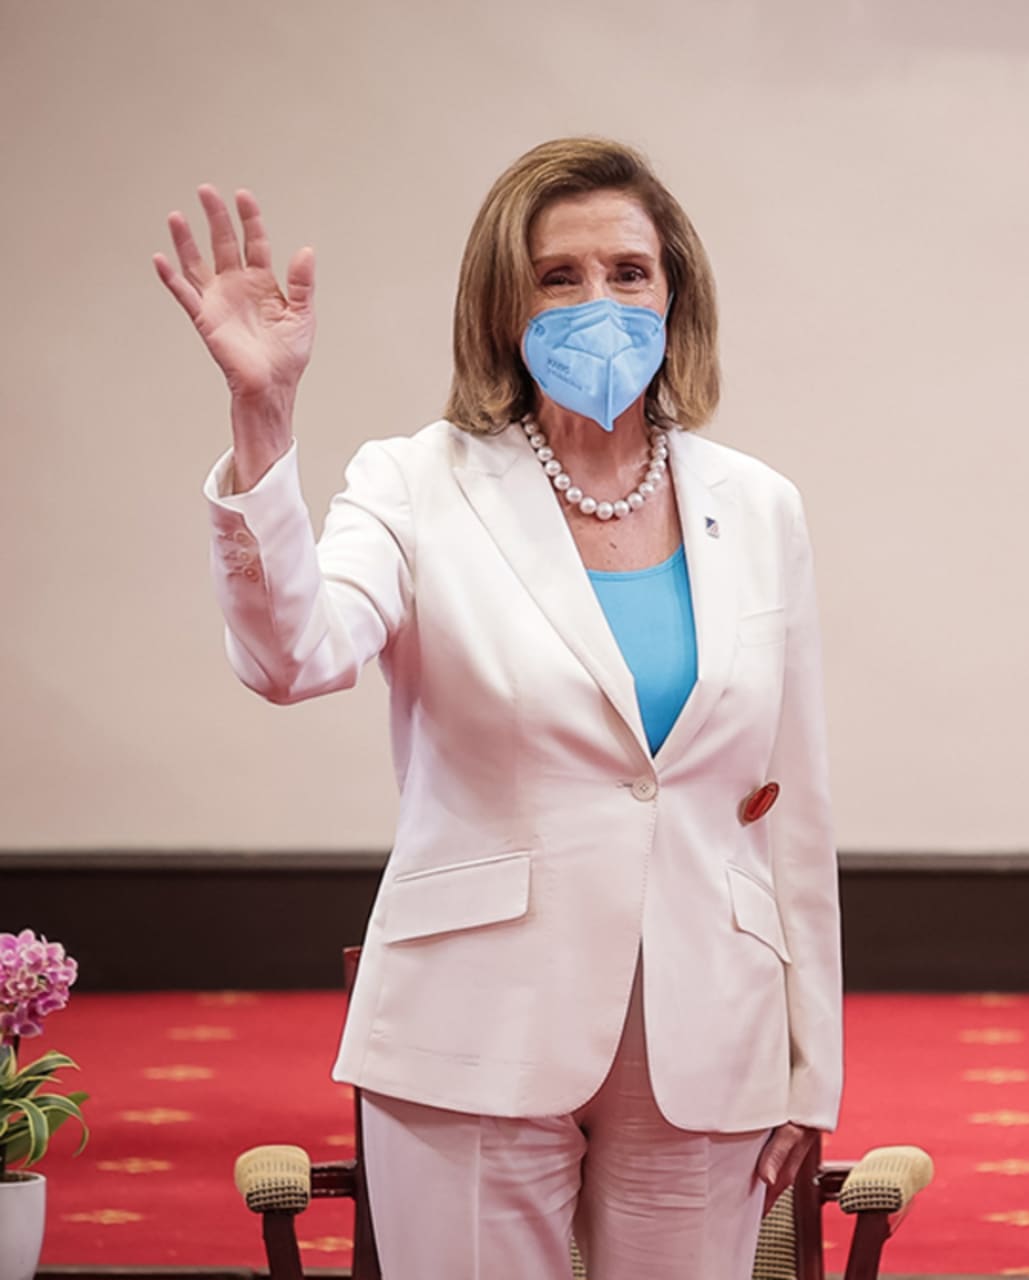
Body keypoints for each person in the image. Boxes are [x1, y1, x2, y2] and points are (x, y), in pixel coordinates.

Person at [155, 137, 841, 1278]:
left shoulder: (759, 506)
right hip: (474, 1021)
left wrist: (809, 1066)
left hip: (710, 1031)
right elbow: (293, 655)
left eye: (629, 271)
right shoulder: (414, 482)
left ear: (677, 292)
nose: (600, 300)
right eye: (558, 276)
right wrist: (262, 419)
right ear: (500, 303)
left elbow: (796, 806)